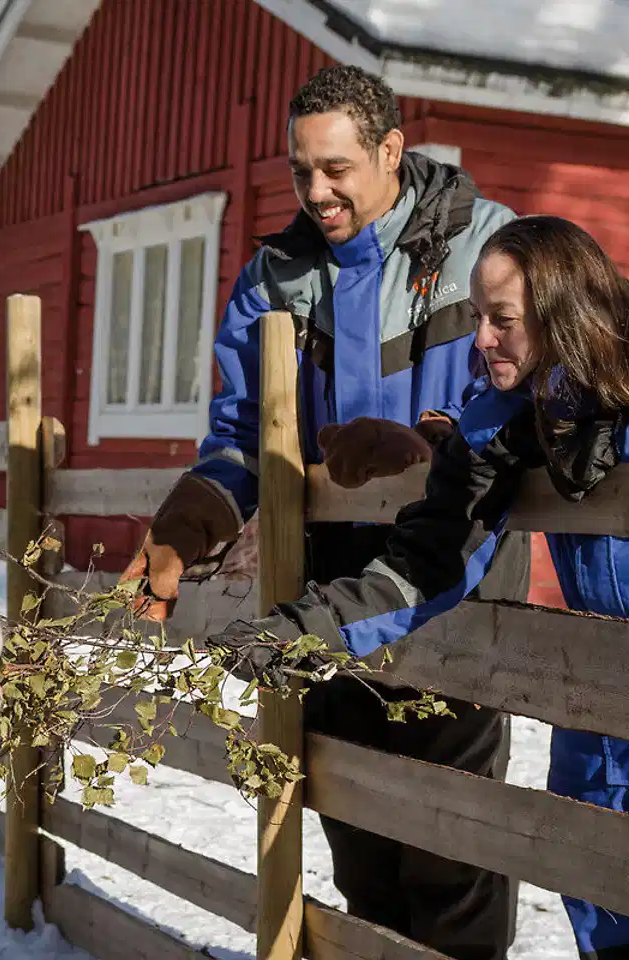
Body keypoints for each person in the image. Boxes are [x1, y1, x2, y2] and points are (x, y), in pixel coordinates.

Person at [206, 214, 629, 960]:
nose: (482, 341)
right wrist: (309, 627)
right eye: (478, 318)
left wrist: (628, 421)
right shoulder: (508, 422)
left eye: (502, 321)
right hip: (597, 715)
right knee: (611, 937)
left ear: (564, 317)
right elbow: (426, 561)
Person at [121, 63, 528, 958]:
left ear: (391, 151)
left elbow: (524, 395)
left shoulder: (489, 250)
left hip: (452, 578)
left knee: (448, 849)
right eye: (301, 169)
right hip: (328, 589)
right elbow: (240, 440)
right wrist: (187, 524)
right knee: (358, 841)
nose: (316, 191)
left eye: (336, 169)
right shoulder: (273, 277)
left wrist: (430, 445)